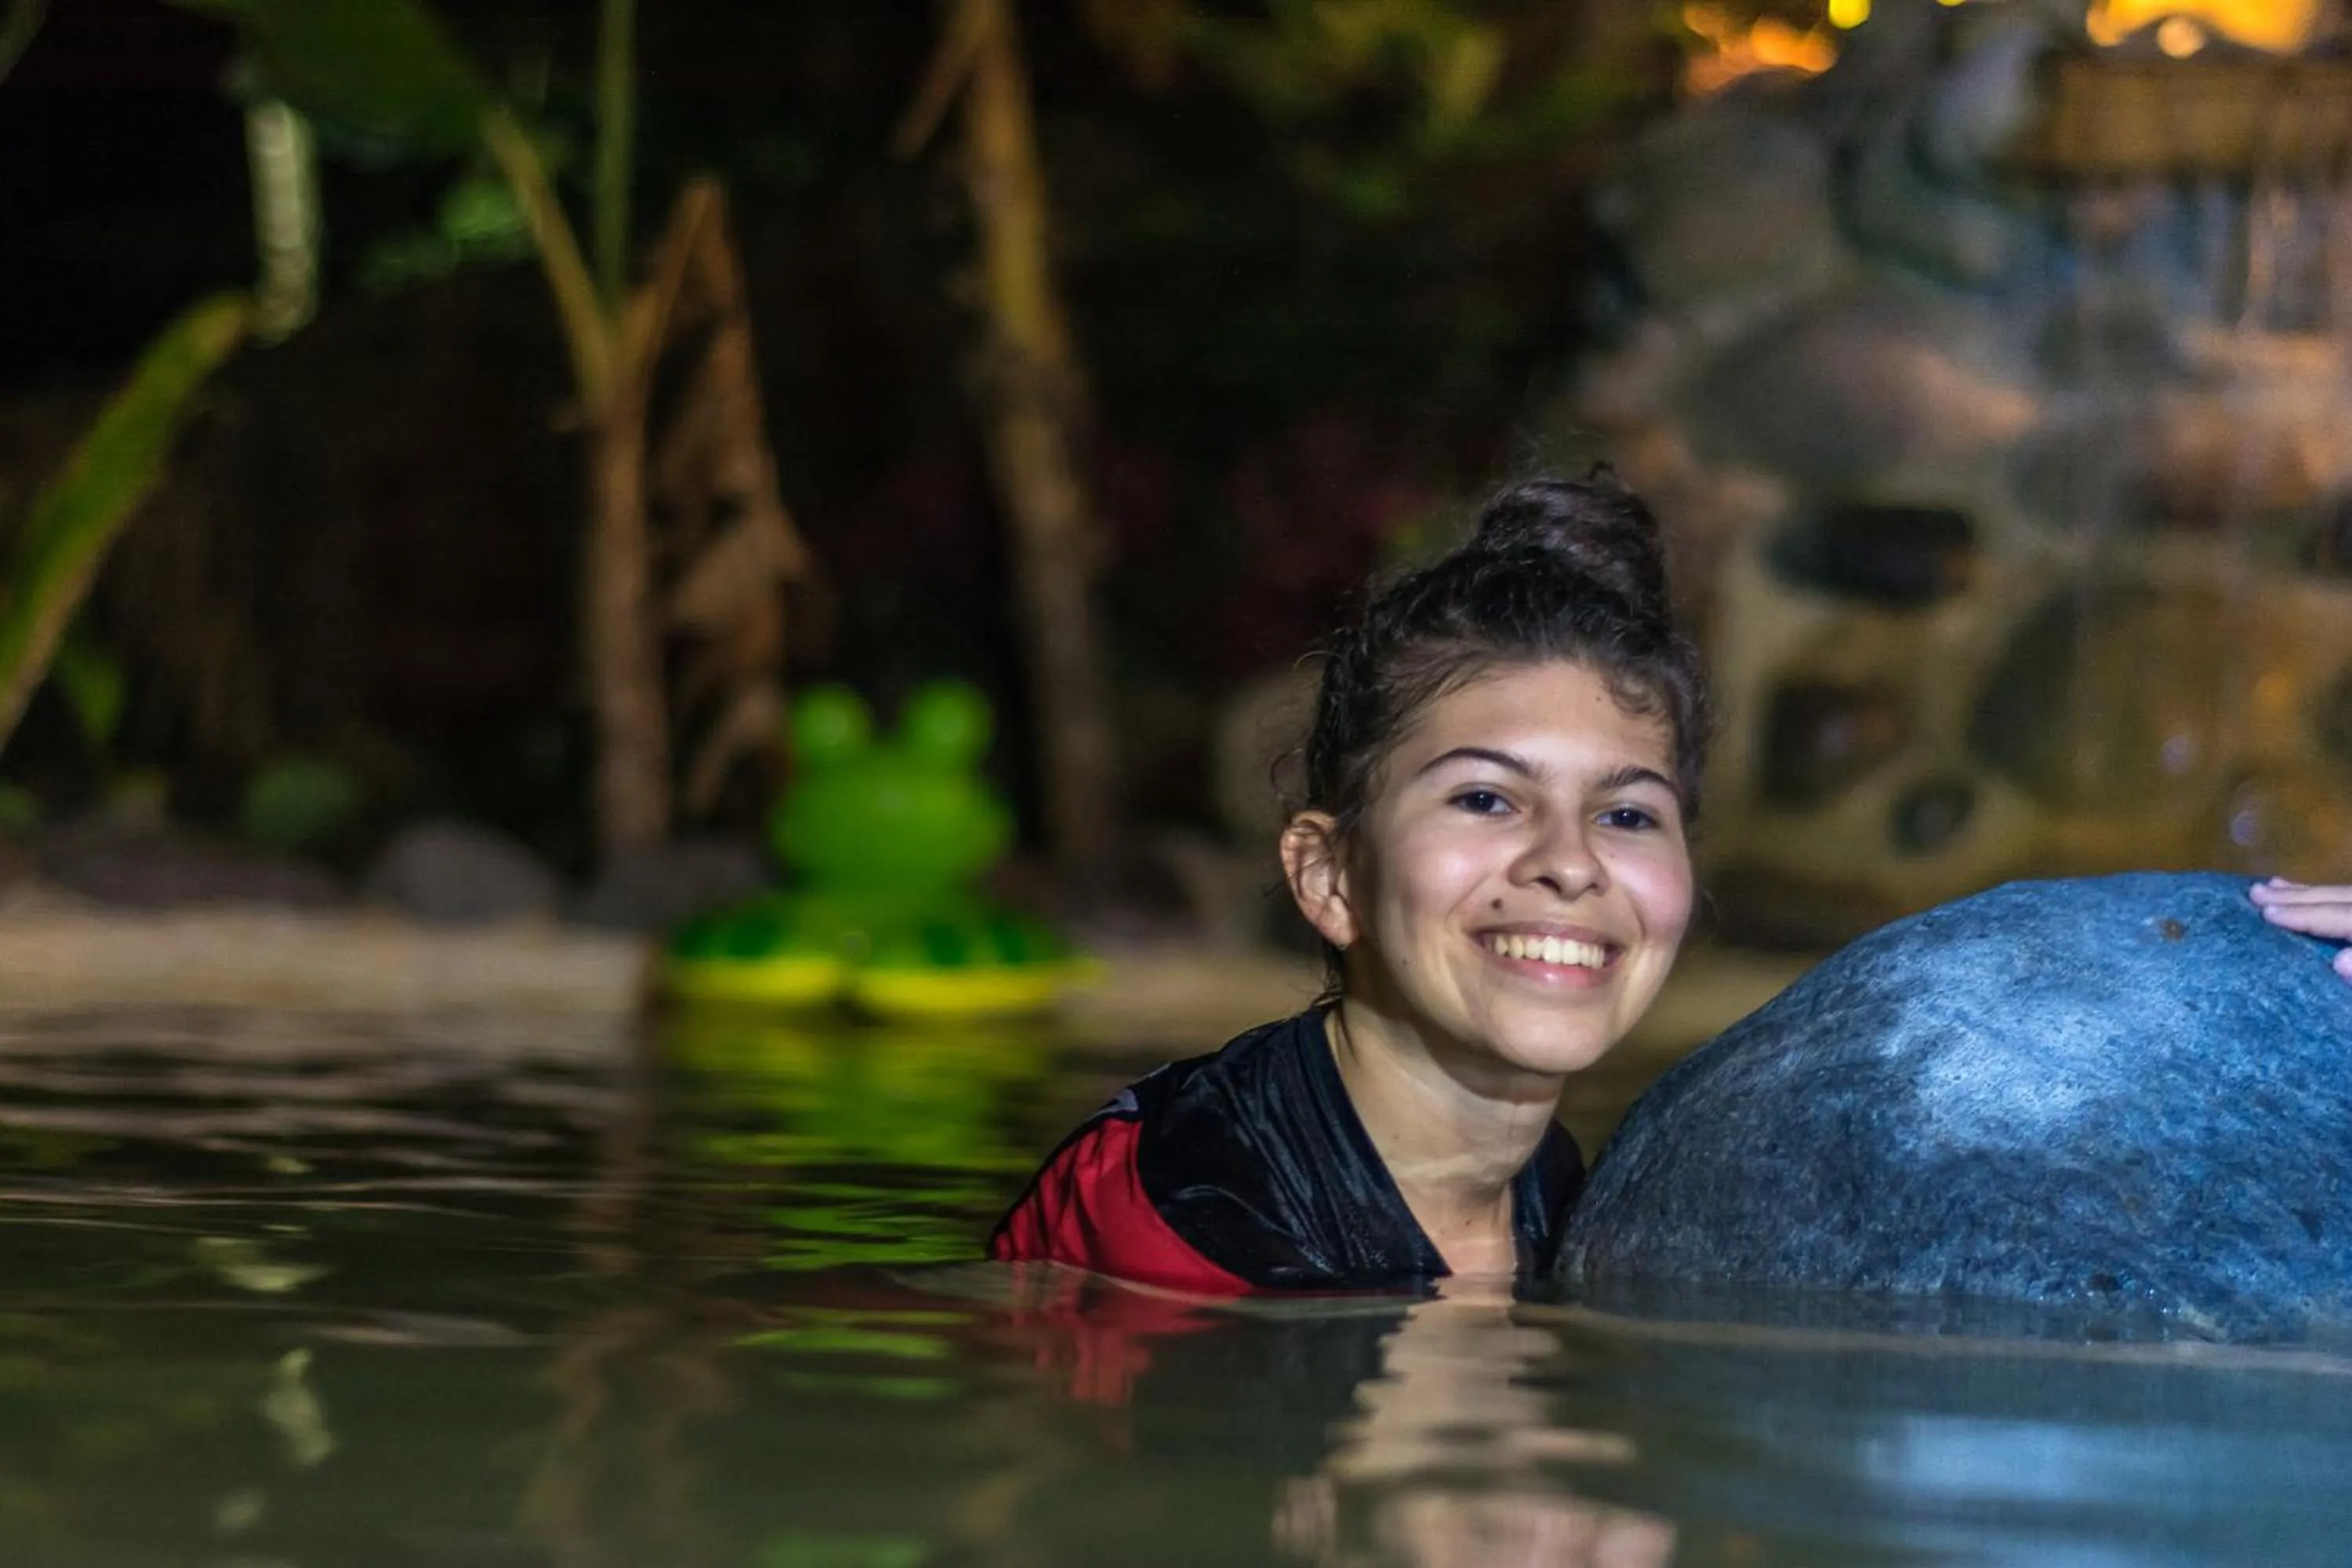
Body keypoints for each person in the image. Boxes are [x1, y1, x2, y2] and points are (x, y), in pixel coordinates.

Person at [989, 472, 2352, 1294]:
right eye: (1483, 797)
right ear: (1330, 873)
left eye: (1628, 812)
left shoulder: (1571, 1194)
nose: (1569, 863)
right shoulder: (1185, 1209)